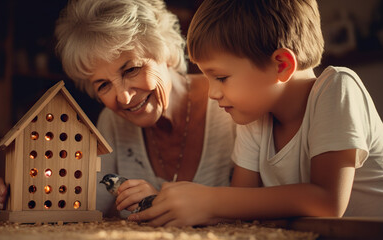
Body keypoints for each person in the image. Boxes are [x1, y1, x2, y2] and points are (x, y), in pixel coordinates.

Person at [128, 0, 383, 227]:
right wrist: (169, 202)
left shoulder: (336, 88)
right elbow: (241, 205)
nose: (212, 93)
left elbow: (328, 203)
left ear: (281, 65)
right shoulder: (255, 117)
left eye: (220, 77)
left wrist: (210, 201)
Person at [0, 0, 235, 218]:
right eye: (103, 85)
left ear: (164, 49)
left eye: (132, 69)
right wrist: (19, 194)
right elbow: (83, 206)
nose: (122, 98)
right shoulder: (111, 122)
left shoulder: (229, 103)